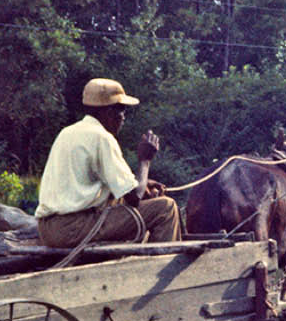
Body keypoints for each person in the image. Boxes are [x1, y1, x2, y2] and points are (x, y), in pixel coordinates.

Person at [36, 78, 181, 247]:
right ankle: (158, 262)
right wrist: (145, 160)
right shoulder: (102, 137)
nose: (123, 117)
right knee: (166, 208)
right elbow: (135, 197)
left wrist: (143, 183)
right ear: (108, 112)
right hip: (73, 228)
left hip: (48, 229)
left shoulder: (67, 133)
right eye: (122, 110)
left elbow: (87, 187)